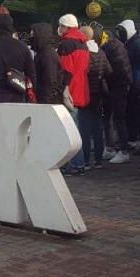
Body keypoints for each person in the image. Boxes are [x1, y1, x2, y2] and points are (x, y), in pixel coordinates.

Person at [56, 14, 91, 175]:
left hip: (70, 91)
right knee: (78, 129)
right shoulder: (83, 44)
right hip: (81, 90)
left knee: (70, 131)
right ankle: (78, 163)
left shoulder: (66, 44)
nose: (59, 28)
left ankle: (76, 164)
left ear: (66, 27)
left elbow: (66, 69)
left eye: (61, 25)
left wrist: (64, 89)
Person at [95, 22, 132, 164]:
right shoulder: (112, 46)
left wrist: (106, 77)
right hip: (113, 86)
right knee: (110, 117)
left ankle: (123, 150)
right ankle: (111, 148)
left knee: (118, 118)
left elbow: (120, 69)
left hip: (118, 87)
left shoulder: (112, 47)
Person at [119, 19, 140, 156]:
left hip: (139, 84)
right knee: (132, 112)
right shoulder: (130, 43)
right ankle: (134, 139)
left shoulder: (138, 44)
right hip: (132, 83)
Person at [79, 26, 111, 168]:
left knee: (84, 128)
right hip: (98, 94)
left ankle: (85, 159)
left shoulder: (83, 52)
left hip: (85, 93)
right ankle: (98, 159)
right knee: (97, 127)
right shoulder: (101, 52)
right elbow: (109, 71)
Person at [31, 22, 64, 106]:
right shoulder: (44, 52)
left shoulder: (47, 55)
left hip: (47, 102)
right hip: (47, 100)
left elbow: (50, 82)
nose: (31, 38)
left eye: (33, 35)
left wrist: (44, 103)